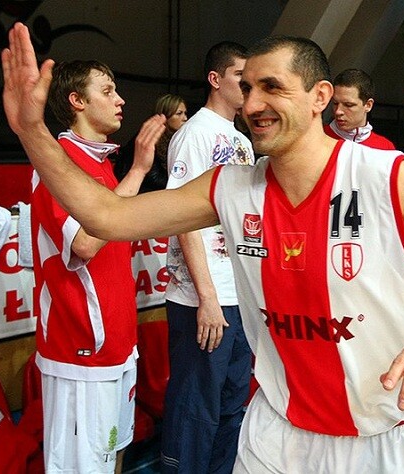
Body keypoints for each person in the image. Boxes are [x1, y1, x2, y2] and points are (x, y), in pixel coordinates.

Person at [2, 23, 404, 473]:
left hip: (388, 439)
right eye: (248, 88)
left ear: (320, 97)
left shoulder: (388, 177)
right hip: (278, 436)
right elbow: (106, 217)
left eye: (272, 87)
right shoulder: (229, 186)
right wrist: (32, 131)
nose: (253, 104)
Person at [30, 58, 166, 473]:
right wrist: (139, 171)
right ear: (77, 101)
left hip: (118, 344)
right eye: (107, 91)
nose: (120, 100)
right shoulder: (57, 162)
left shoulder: (101, 162)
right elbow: (86, 243)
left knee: (114, 451)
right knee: (84, 466)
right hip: (80, 353)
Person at [162, 41, 255, 474]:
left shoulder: (243, 140)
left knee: (232, 406)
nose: (249, 87)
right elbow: (182, 218)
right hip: (201, 298)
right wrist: (207, 297)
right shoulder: (194, 134)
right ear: (216, 79)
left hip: (239, 297)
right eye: (240, 77)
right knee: (195, 408)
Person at [114, 93, 188, 190]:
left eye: (185, 113)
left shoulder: (176, 137)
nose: (185, 118)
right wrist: (180, 185)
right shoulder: (150, 136)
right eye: (179, 113)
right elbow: (153, 178)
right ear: (165, 116)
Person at [324, 68, 396, 149]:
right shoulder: (318, 138)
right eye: (335, 103)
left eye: (348, 105)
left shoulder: (385, 148)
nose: (338, 111)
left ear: (368, 105)